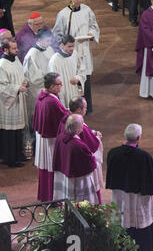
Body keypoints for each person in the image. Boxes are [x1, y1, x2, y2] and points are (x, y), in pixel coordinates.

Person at [106, 123, 153, 251]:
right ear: (139, 138)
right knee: (141, 225)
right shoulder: (144, 157)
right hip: (138, 201)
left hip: (120, 198)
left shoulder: (113, 153)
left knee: (121, 222)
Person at [53, 0, 100, 114]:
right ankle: (73, 108)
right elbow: (57, 33)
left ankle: (86, 108)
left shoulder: (87, 10)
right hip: (70, 51)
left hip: (84, 49)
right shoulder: (63, 14)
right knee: (73, 77)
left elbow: (94, 25)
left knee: (85, 75)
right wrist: (65, 44)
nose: (78, 0)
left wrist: (91, 33)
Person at [58, 97, 104, 204]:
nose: (86, 110)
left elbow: (85, 133)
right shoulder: (77, 124)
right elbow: (91, 145)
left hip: (70, 165)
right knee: (84, 196)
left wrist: (92, 132)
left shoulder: (67, 119)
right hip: (81, 170)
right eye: (85, 108)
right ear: (79, 109)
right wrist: (97, 138)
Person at [33, 72, 69, 202]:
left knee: (45, 167)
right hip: (50, 140)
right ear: (53, 86)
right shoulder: (51, 101)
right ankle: (53, 197)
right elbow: (65, 118)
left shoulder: (42, 96)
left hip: (43, 137)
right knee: (52, 167)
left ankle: (45, 195)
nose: (61, 86)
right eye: (60, 84)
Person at [53, 114, 98, 204]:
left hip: (64, 174)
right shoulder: (78, 145)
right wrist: (93, 157)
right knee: (79, 202)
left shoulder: (60, 137)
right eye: (82, 124)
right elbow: (90, 164)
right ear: (78, 129)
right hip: (78, 180)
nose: (83, 126)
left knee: (67, 199)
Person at [0, 38, 27, 167]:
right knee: (9, 132)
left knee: (18, 131)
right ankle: (10, 159)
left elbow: (20, 74)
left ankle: (18, 155)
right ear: (5, 50)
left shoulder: (15, 59)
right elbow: (2, 86)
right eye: (14, 49)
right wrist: (17, 88)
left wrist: (24, 81)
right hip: (8, 104)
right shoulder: (2, 65)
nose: (17, 50)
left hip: (18, 99)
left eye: (16, 48)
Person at [23, 28, 55, 133]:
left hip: (50, 87)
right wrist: (50, 78)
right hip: (37, 91)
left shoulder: (49, 49)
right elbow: (34, 78)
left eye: (50, 40)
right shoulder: (32, 55)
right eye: (47, 41)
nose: (49, 43)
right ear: (39, 40)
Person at [48, 34, 87, 109]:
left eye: (73, 46)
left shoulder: (75, 54)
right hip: (63, 93)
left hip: (74, 91)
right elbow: (53, 81)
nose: (72, 49)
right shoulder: (55, 61)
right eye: (69, 46)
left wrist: (77, 78)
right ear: (62, 45)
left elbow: (82, 69)